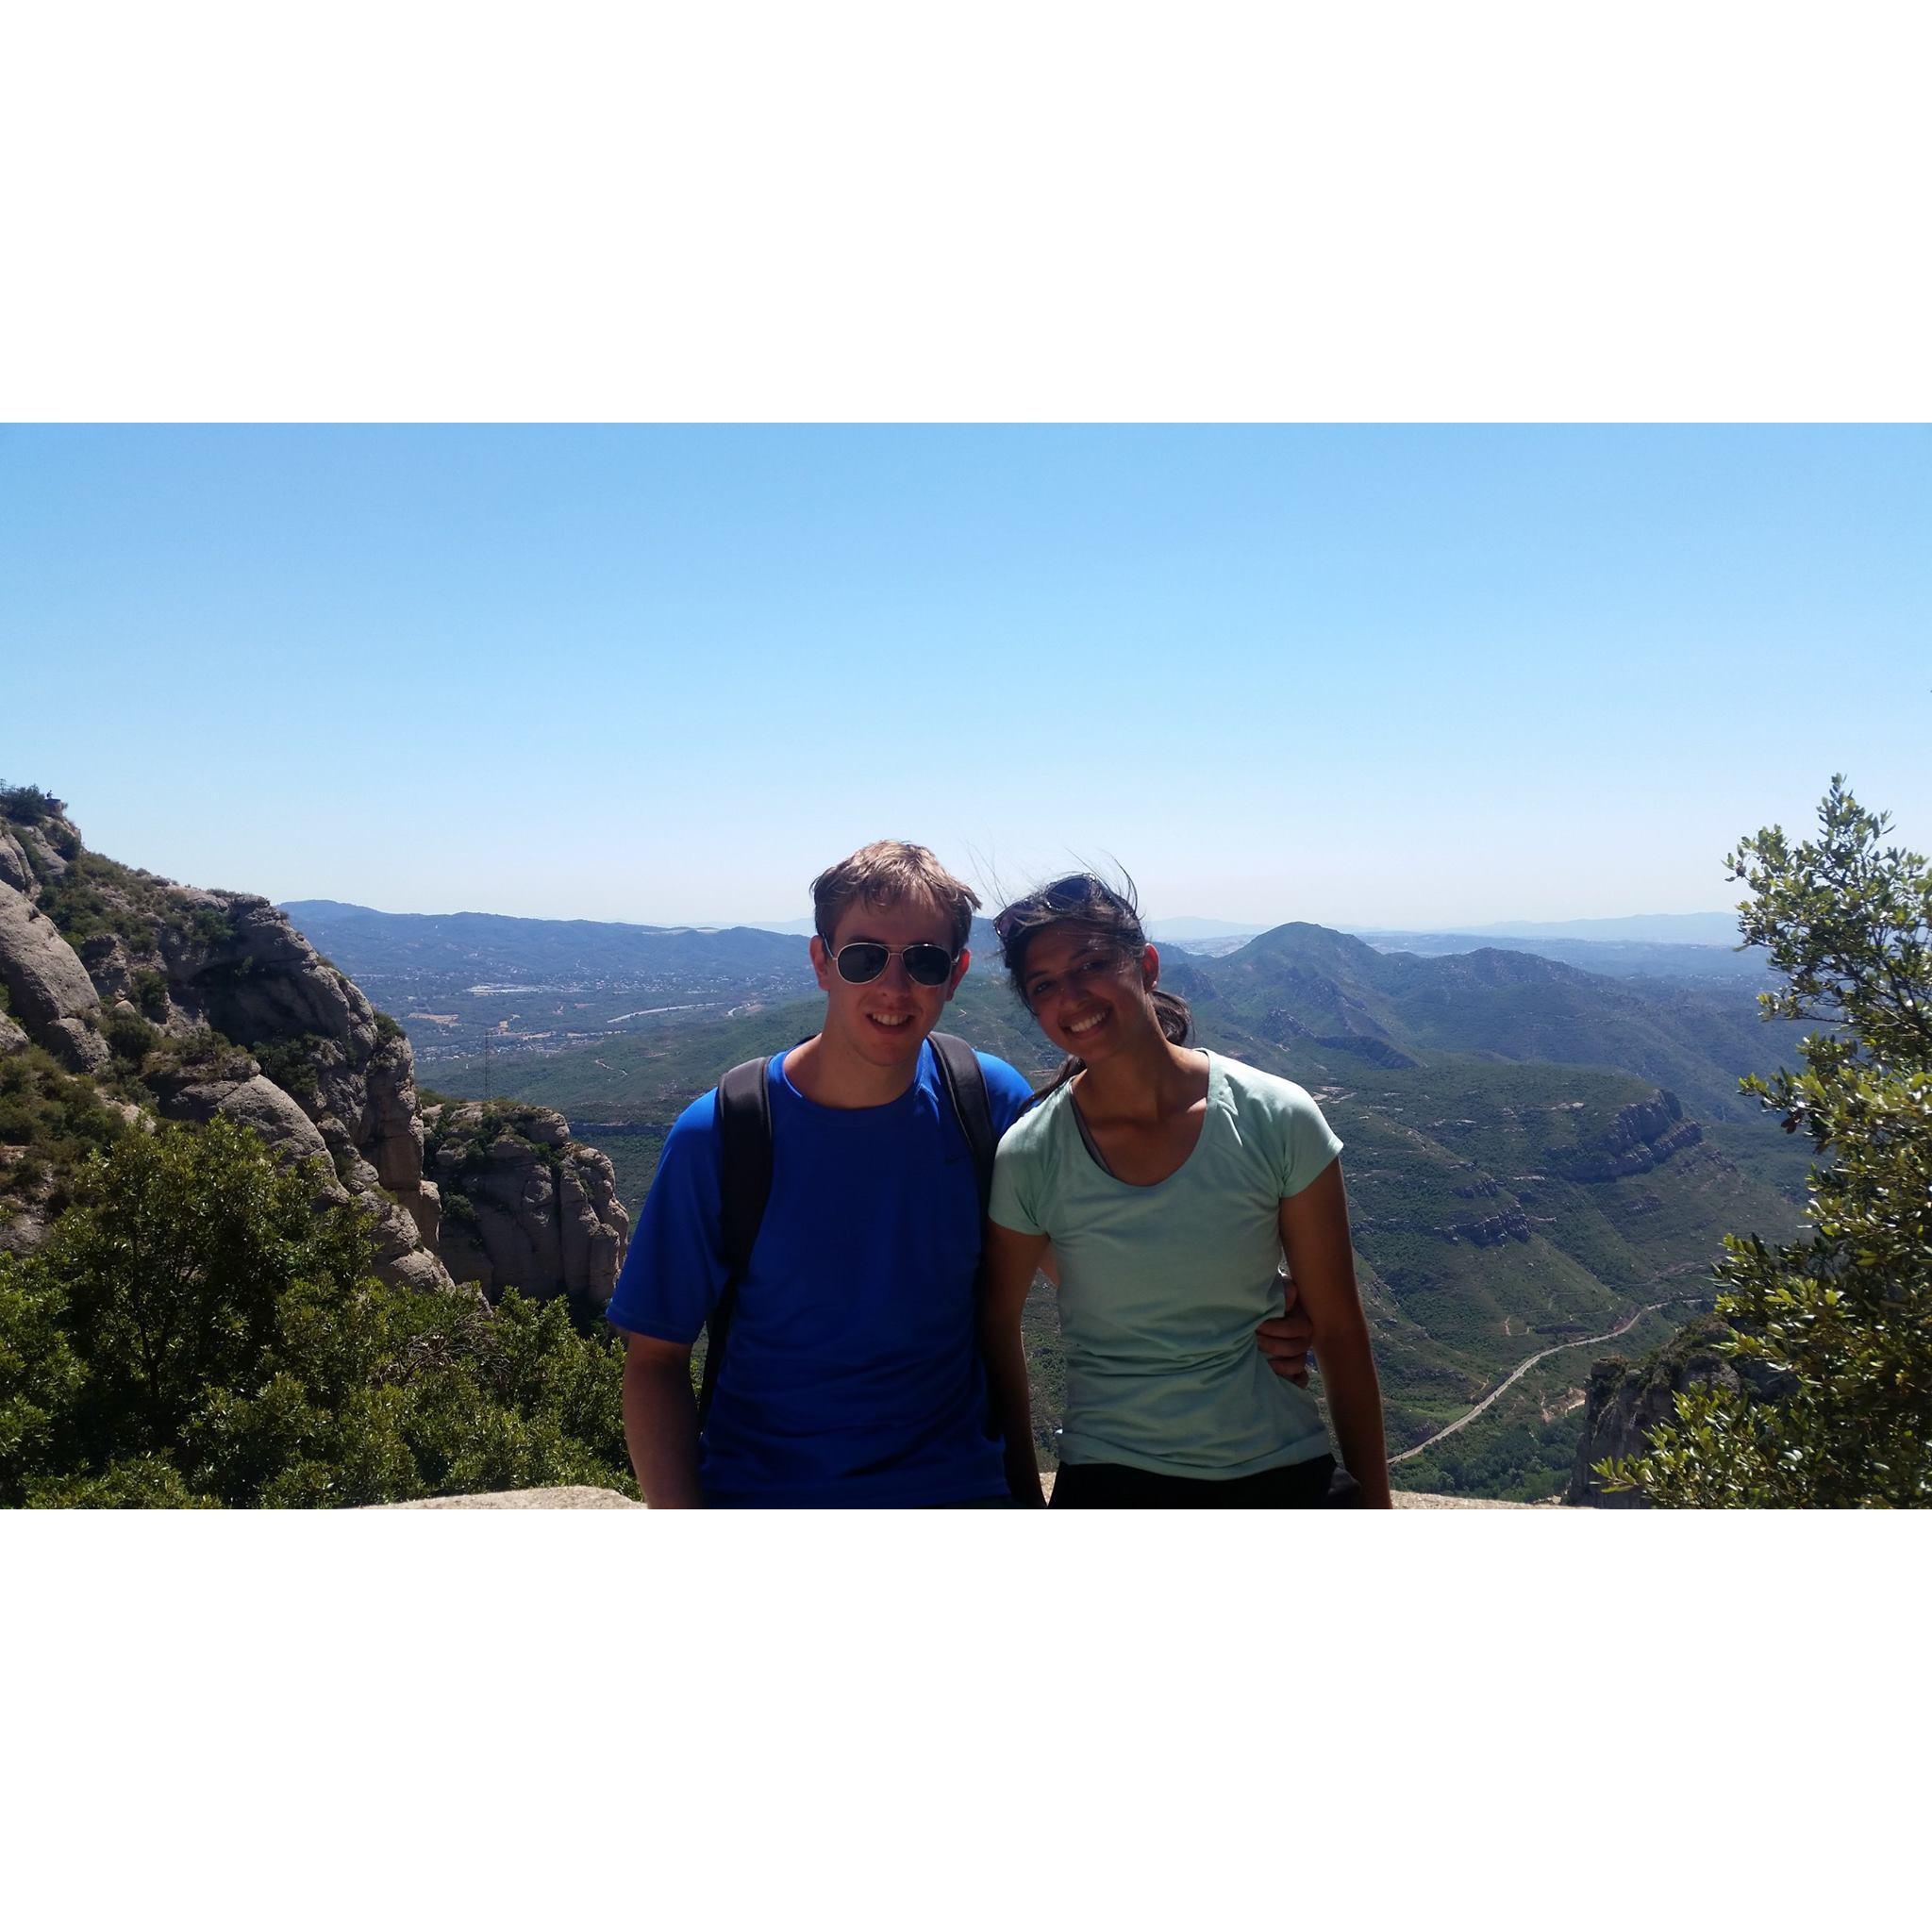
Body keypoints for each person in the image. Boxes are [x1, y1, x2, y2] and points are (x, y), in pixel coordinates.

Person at [608, 840, 1316, 1507]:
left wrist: (1266, 1301)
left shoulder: (986, 1101)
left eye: (922, 960)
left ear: (957, 973)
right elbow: (654, 1363)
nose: (893, 985)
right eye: (863, 957)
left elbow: (1106, 1258)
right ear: (822, 963)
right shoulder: (724, 1134)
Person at [981, 873, 1392, 1509]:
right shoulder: (1033, 1154)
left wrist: (1375, 1505)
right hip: (1110, 1475)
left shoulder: (1275, 1117)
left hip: (1280, 1464)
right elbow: (996, 1327)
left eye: (1092, 964)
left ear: (1145, 966)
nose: (1073, 996)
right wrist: (1021, 1496)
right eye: (1045, 986)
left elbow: (1339, 1329)